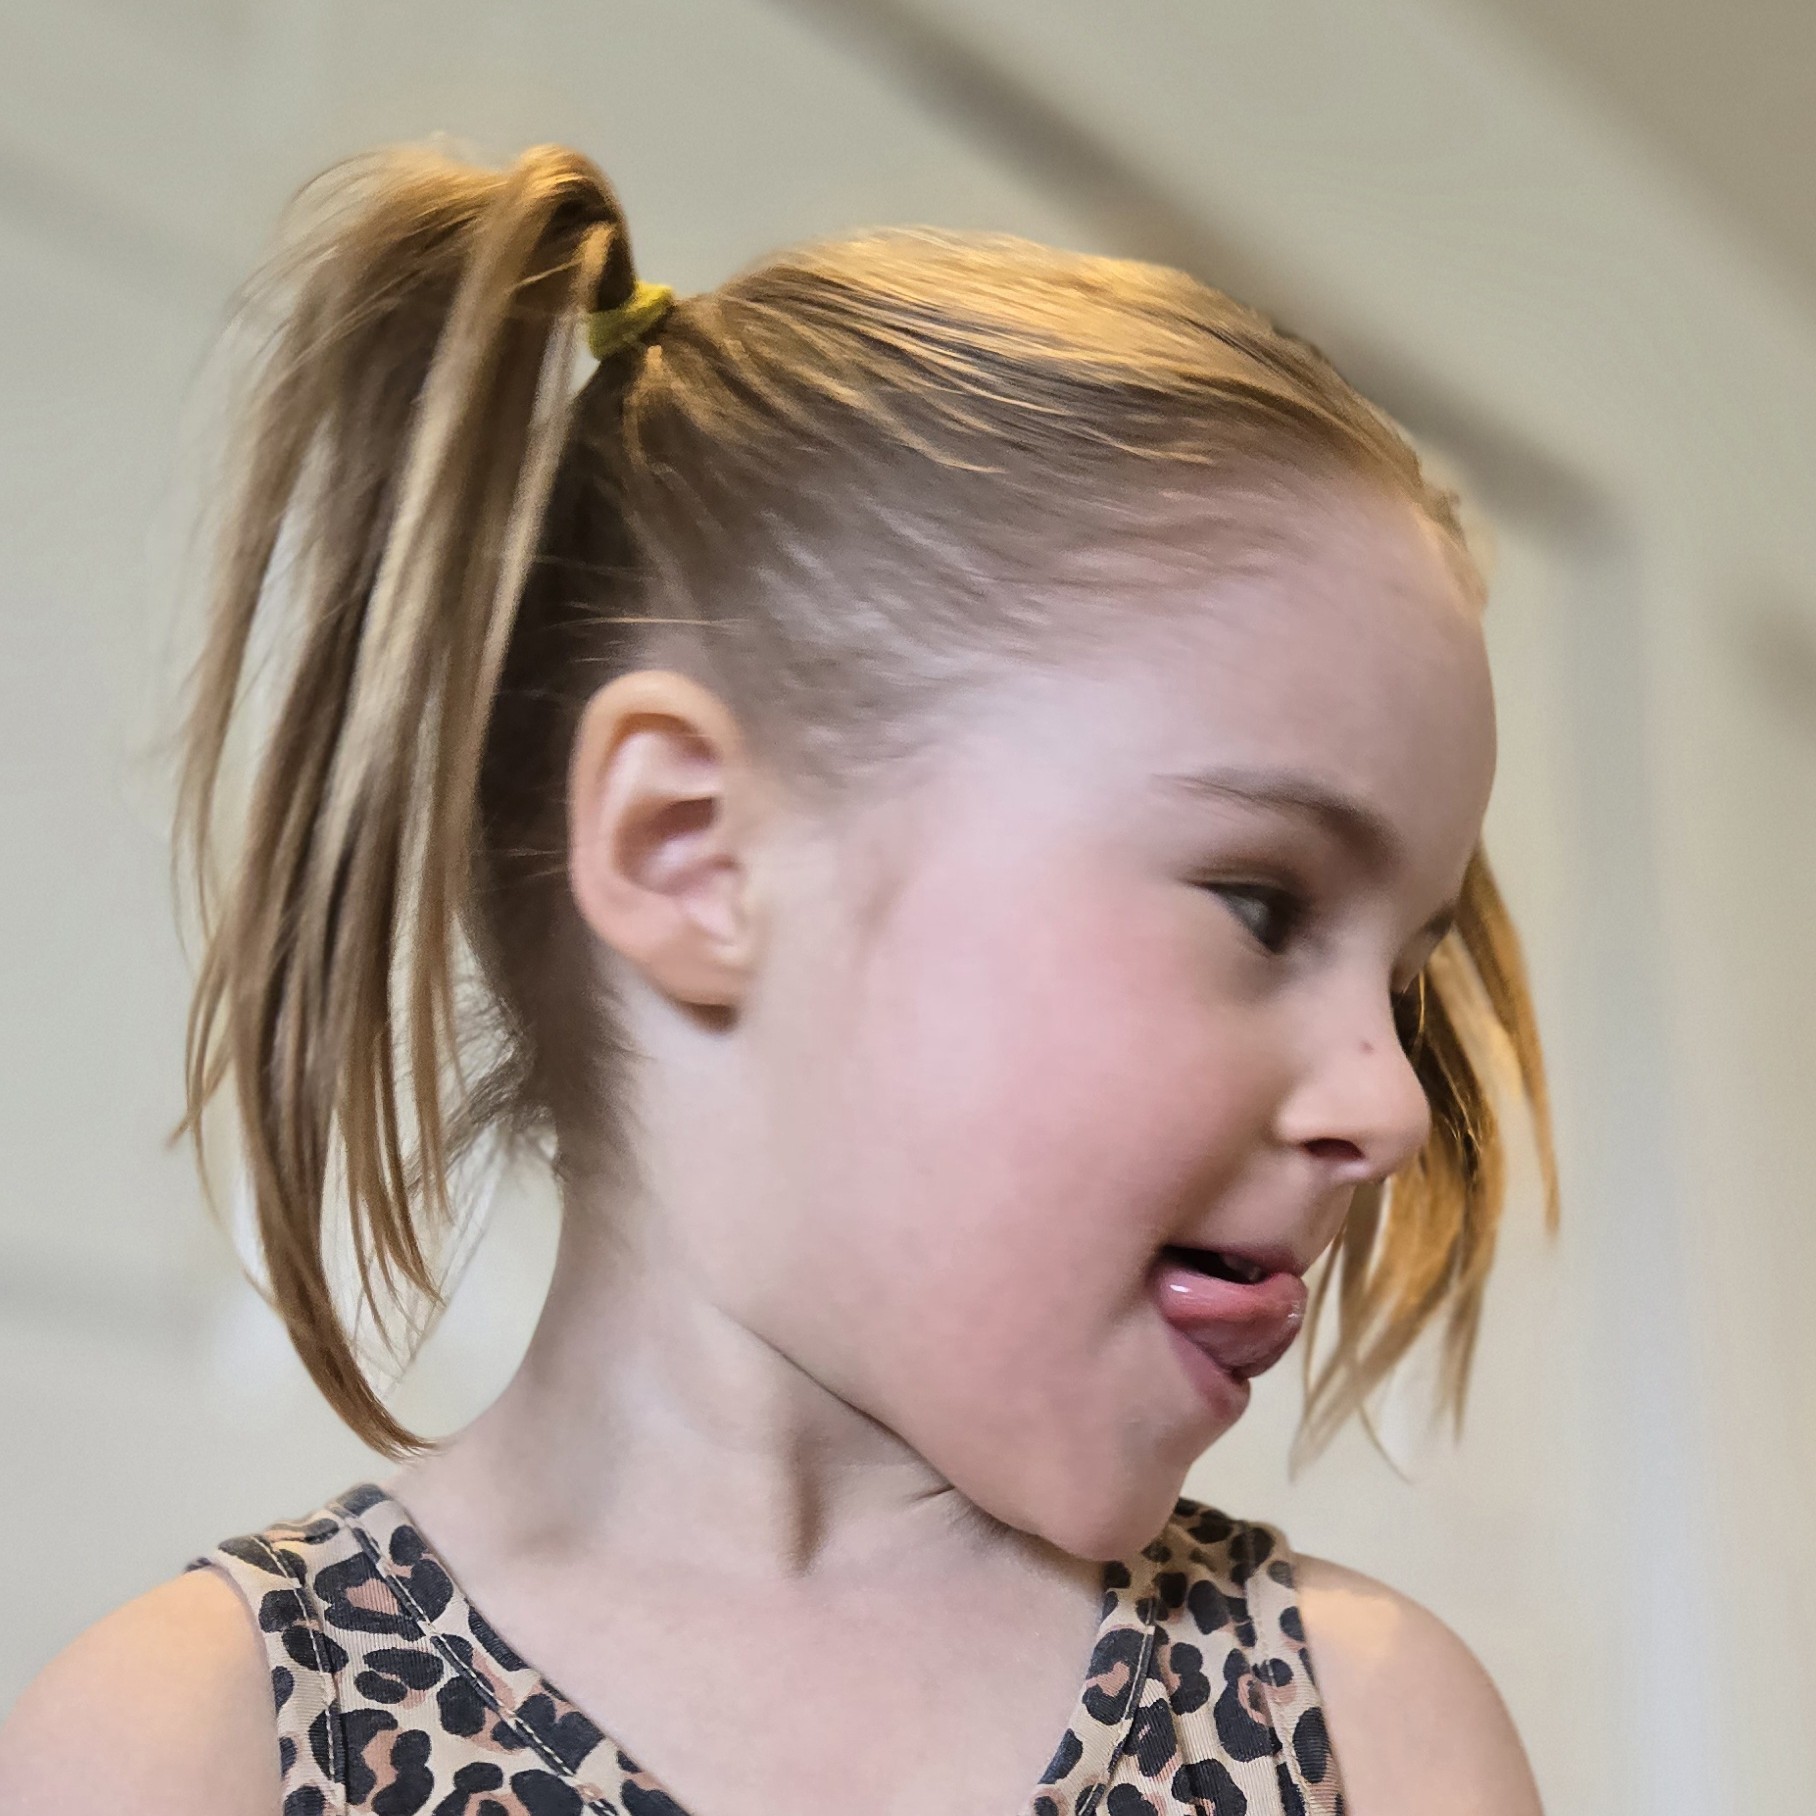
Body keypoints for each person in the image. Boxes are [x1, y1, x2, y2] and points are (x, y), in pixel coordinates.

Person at [0, 141, 1559, 1816]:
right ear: (692, 851)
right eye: (1263, 906)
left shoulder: (1375, 1731)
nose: (1393, 1103)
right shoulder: (192, 1747)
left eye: (1402, 979)